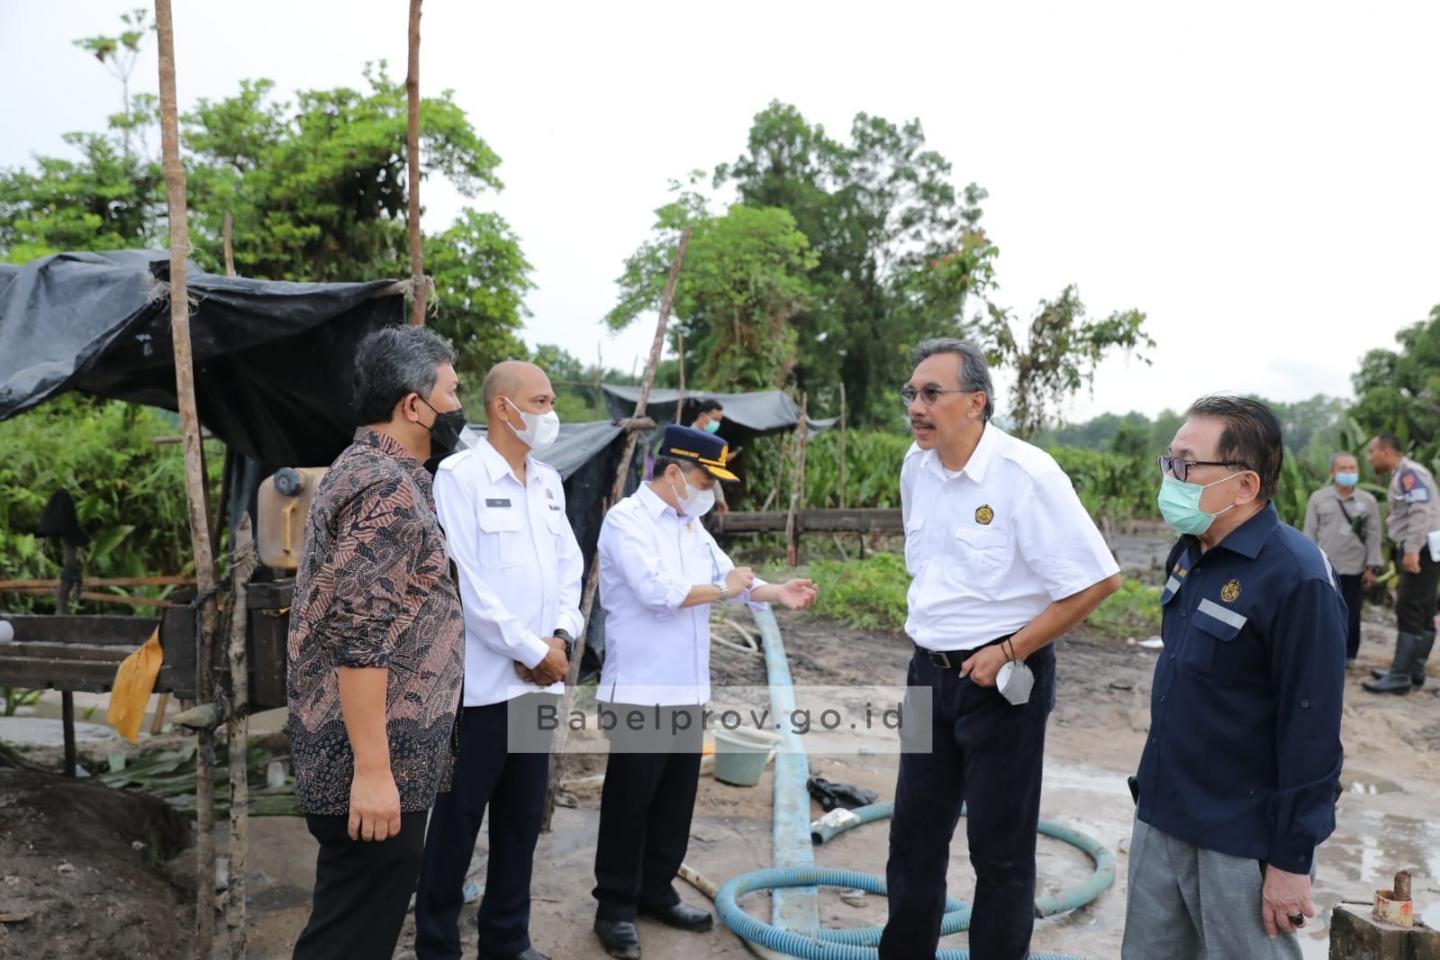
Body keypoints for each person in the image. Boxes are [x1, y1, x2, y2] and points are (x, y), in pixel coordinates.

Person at [880, 339, 1120, 960]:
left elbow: (1097, 580)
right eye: (911, 393)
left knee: (1001, 852)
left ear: (976, 402)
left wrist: (1011, 647)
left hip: (1001, 682)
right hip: (924, 675)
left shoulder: (1026, 475)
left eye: (932, 393)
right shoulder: (917, 466)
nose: (917, 406)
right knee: (912, 838)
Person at [1122, 396, 1346, 959]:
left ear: (1244, 486)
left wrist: (1292, 860)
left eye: (1186, 465)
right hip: (1163, 817)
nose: (1171, 477)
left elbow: (1312, 729)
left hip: (1239, 840)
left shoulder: (1297, 577)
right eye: (1168, 462)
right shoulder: (1191, 551)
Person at [590, 424, 817, 960]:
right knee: (630, 802)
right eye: (705, 479)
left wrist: (774, 591)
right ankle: (615, 907)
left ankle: (656, 889)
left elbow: (734, 578)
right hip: (641, 691)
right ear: (674, 472)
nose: (710, 493)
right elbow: (657, 593)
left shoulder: (691, 526)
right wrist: (726, 588)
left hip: (688, 689)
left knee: (674, 799)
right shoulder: (628, 522)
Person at [287, 326, 467, 960]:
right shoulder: (383, 487)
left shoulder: (383, 475)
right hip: (366, 757)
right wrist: (371, 773)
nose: (457, 407)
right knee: (348, 937)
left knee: (360, 924)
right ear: (413, 406)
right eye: (451, 392)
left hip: (385, 753)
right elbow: (359, 639)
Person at [413, 360, 582, 960]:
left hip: (538, 690)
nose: (550, 412)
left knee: (519, 823)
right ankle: (437, 946)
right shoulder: (459, 476)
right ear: (502, 408)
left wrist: (559, 637)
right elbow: (465, 584)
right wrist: (532, 651)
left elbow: (569, 569)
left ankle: (507, 940)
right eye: (540, 401)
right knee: (456, 826)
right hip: (481, 691)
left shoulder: (549, 482)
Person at [1364, 433, 1440, 693]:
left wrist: (1411, 551)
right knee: (1424, 610)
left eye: (1372, 451)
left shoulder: (1408, 473)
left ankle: (1399, 676)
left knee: (1409, 609)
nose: (1370, 457)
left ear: (1386, 451)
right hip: (1427, 549)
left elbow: (1421, 510)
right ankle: (1413, 671)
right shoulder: (1404, 474)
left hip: (1421, 550)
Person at [1302, 452, 1382, 662]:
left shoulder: (1368, 501)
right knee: (1322, 612)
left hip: (1354, 567)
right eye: (1343, 468)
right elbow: (1309, 532)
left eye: (1352, 468)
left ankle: (1348, 654)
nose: (1348, 473)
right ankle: (1321, 651)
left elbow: (1374, 536)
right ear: (1332, 472)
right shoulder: (1318, 498)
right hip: (1324, 567)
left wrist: (1372, 566)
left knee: (1352, 613)